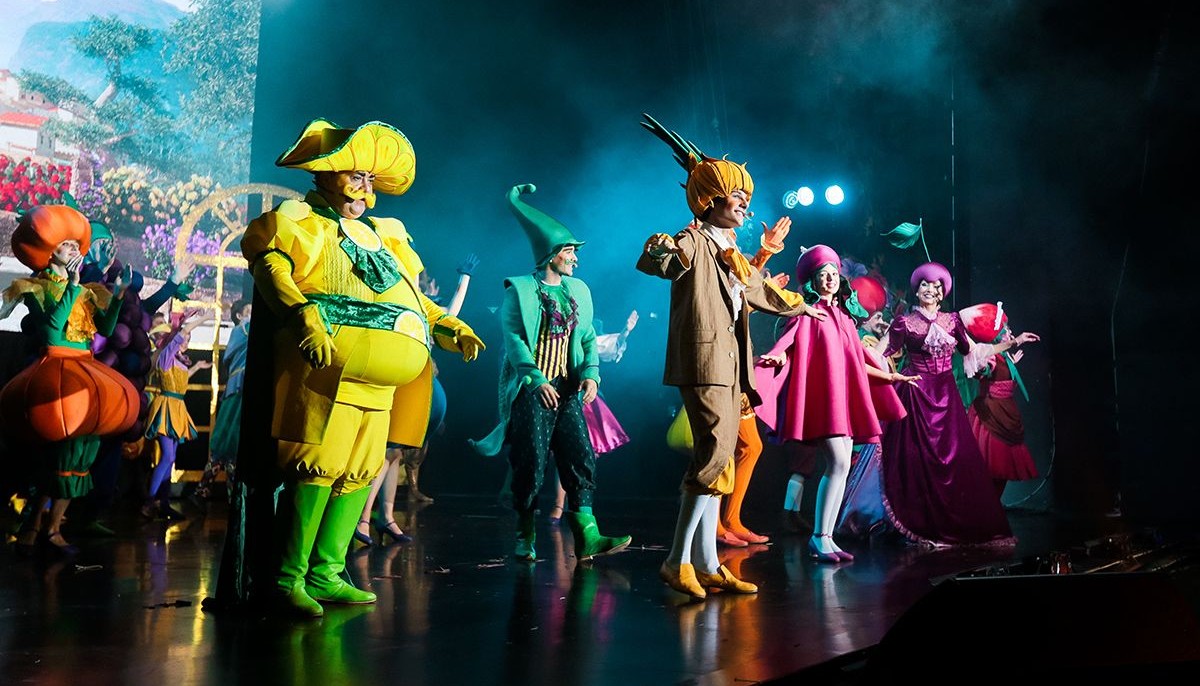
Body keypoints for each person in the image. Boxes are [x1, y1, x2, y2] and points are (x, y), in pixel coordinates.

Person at [224, 118, 484, 617]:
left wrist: (448, 326)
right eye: (353, 175)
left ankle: (326, 572)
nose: (363, 188)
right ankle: (286, 578)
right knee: (316, 469)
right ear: (325, 175)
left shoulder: (385, 235)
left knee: (359, 472)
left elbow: (412, 297)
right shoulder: (301, 221)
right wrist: (301, 316)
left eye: (368, 178)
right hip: (328, 372)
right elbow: (272, 268)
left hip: (382, 385)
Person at [636, 114, 815, 599]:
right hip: (705, 362)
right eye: (736, 195)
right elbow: (660, 262)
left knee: (723, 461)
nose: (744, 204)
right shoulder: (694, 240)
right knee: (714, 456)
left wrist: (802, 305)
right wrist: (661, 248)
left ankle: (708, 563)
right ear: (711, 199)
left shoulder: (730, 249)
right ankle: (677, 561)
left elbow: (756, 290)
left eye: (746, 197)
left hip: (732, 366)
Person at [471, 183, 631, 563]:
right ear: (551, 253)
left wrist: (591, 374)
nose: (575, 259)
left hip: (568, 387)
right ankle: (524, 532)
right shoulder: (520, 291)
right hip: (534, 389)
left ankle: (587, 534)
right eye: (569, 252)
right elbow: (514, 340)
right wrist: (535, 378)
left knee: (580, 454)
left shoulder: (578, 291)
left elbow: (587, 337)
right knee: (531, 461)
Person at [754, 246, 915, 562]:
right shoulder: (807, 313)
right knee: (839, 462)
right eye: (822, 274)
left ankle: (825, 537)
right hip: (822, 401)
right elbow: (788, 344)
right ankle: (819, 537)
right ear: (813, 281)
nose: (829, 279)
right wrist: (778, 356)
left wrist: (890, 377)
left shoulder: (844, 318)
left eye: (833, 273)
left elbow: (857, 361)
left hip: (843, 402)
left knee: (840, 466)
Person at [0, 204, 138, 555]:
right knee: (58, 459)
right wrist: (73, 287)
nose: (74, 248)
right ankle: (38, 527)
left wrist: (118, 296)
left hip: (84, 369)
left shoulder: (89, 291)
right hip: (56, 371)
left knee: (80, 455)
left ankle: (50, 527)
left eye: (76, 243)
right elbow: (52, 329)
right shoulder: (36, 287)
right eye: (65, 244)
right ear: (49, 251)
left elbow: (105, 329)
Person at [878, 262, 1024, 546]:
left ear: (941, 292)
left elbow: (974, 351)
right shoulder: (904, 323)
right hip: (916, 393)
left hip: (946, 398)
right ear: (916, 290)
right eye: (924, 285)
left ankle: (954, 518)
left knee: (953, 458)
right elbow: (881, 352)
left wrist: (1011, 342)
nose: (929, 290)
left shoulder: (952, 321)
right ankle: (922, 519)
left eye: (935, 286)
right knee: (919, 459)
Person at [354, 253, 477, 546]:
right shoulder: (394, 297)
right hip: (401, 379)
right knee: (387, 451)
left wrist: (464, 279)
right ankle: (363, 519)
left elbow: (448, 315)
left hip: (418, 381)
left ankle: (386, 517)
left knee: (395, 453)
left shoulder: (420, 302)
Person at [959, 302, 1041, 497]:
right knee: (989, 465)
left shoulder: (1004, 357)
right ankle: (985, 505)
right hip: (991, 415)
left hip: (1005, 412)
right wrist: (982, 367)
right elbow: (983, 369)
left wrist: (1010, 364)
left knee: (1001, 467)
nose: (1010, 332)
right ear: (996, 336)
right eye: (1006, 330)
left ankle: (992, 504)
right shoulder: (992, 357)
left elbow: (1003, 376)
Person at [142, 310, 213, 519]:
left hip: (177, 408)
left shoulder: (179, 362)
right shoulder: (166, 357)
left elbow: (181, 379)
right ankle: (149, 502)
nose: (186, 341)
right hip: (166, 407)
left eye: (188, 339)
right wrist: (204, 318)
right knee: (168, 456)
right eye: (185, 338)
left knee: (171, 458)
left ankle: (162, 503)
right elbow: (181, 332)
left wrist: (197, 367)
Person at [195, 299, 252, 501]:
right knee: (229, 442)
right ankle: (220, 495)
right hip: (238, 388)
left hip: (239, 389)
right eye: (248, 310)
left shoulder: (242, 332)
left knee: (229, 446)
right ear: (239, 315)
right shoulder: (242, 329)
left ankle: (208, 492)